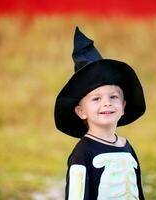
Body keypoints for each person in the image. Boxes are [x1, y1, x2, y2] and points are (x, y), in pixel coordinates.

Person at [54, 27, 146, 200]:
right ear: (81, 111)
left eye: (113, 96)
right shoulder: (83, 153)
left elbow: (138, 193)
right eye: (96, 99)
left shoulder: (127, 148)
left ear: (123, 106)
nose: (107, 103)